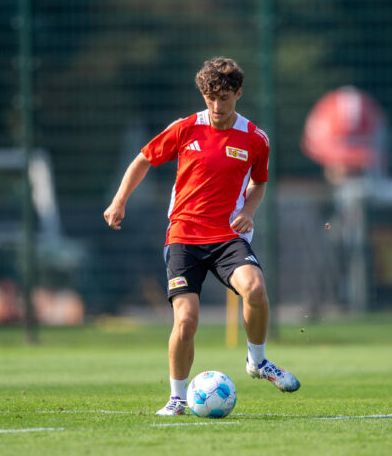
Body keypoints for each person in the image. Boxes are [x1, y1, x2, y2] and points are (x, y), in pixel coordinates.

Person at [104, 57, 300, 416]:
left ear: (238, 94)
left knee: (255, 288)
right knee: (186, 319)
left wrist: (248, 212)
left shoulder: (255, 138)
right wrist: (119, 201)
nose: (217, 106)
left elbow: (259, 183)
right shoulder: (185, 128)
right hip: (184, 235)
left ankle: (257, 361)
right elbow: (144, 159)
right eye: (210, 98)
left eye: (224, 98)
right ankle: (177, 398)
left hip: (227, 236)